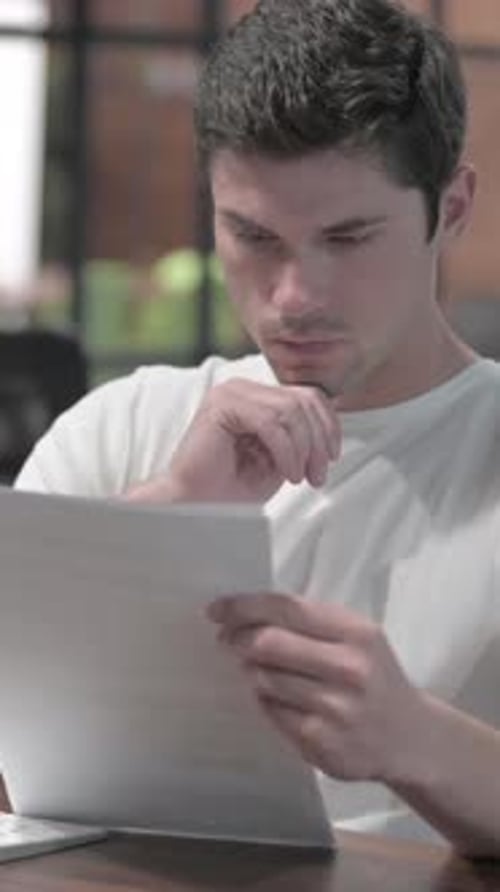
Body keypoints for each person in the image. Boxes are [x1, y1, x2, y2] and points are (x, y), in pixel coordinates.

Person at [16, 0, 500, 856]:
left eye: (348, 238)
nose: (294, 297)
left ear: (451, 207)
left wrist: (415, 741)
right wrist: (171, 510)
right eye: (253, 235)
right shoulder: (122, 429)